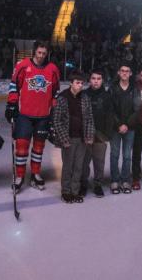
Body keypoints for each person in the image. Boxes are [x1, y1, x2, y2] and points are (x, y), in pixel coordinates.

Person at [7, 40, 60, 192]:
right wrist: (11, 104)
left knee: (38, 147)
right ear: (34, 52)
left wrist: (54, 109)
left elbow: (55, 91)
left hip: (43, 116)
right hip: (24, 115)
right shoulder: (22, 65)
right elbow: (13, 85)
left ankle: (36, 174)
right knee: (21, 148)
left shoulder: (53, 69)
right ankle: (20, 176)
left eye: (44, 53)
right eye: (39, 52)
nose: (41, 56)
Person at [50, 72, 95, 203]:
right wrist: (64, 139)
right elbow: (57, 120)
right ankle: (66, 191)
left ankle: (75, 191)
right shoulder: (63, 98)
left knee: (78, 166)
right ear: (71, 83)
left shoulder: (85, 98)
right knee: (68, 166)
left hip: (82, 139)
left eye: (81, 83)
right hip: (68, 139)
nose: (80, 85)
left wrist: (89, 135)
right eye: (77, 83)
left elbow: (90, 118)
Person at [81, 69, 112, 198]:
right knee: (84, 161)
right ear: (89, 80)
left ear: (102, 80)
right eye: (93, 78)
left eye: (99, 79)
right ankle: (83, 183)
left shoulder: (106, 96)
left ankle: (98, 184)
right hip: (85, 134)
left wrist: (106, 135)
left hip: (100, 134)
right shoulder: (83, 94)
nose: (96, 81)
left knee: (99, 161)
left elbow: (110, 116)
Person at [108, 63, 137, 194]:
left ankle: (125, 180)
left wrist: (127, 125)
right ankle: (114, 180)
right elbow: (110, 110)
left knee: (126, 156)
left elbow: (137, 110)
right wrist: (119, 124)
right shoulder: (112, 89)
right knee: (114, 155)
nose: (125, 73)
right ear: (119, 73)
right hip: (115, 128)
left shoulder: (134, 89)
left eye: (127, 71)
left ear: (130, 74)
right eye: (122, 71)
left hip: (130, 128)